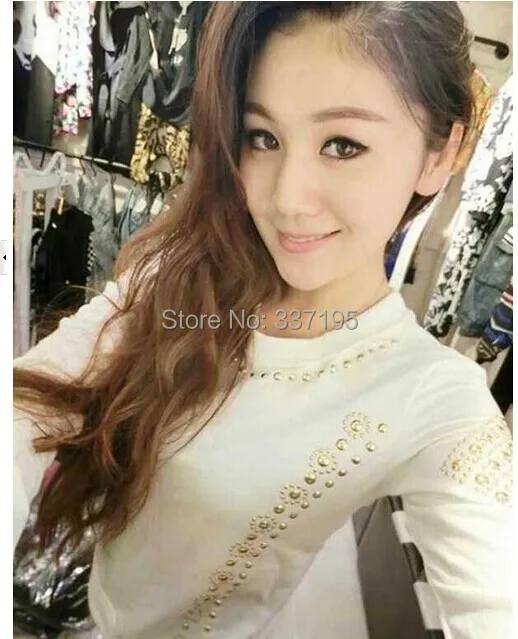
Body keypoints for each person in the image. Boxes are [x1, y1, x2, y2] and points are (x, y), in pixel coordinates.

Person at [14, 3, 512, 638]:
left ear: (441, 153)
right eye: (262, 138)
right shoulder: (180, 271)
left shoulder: (436, 399)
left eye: (343, 145)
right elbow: (28, 405)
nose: (284, 199)